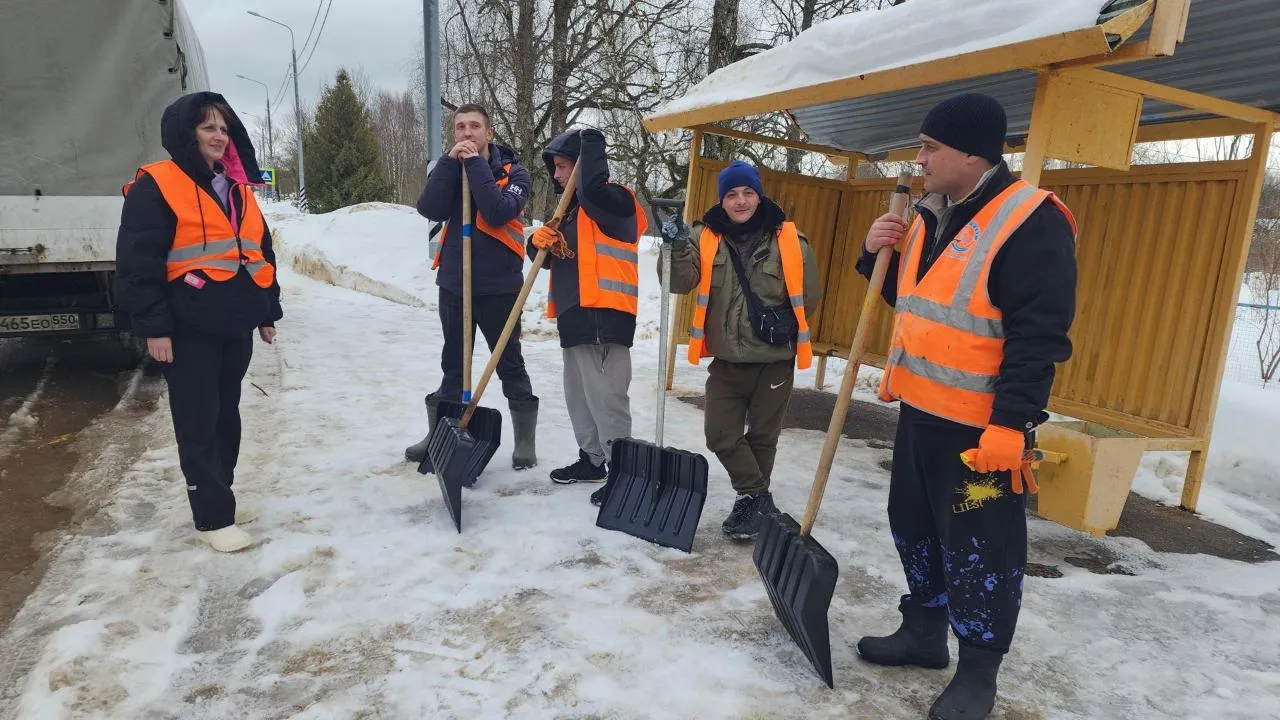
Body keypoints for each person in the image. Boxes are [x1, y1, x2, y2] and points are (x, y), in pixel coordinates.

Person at [853, 93, 1078, 720]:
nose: (919, 159)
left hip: (982, 434)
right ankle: (924, 631)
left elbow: (1039, 336)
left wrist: (1012, 424)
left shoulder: (1030, 220)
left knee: (981, 548)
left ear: (973, 154)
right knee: (914, 526)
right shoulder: (929, 215)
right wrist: (874, 253)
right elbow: (914, 302)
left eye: (931, 147)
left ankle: (979, 671)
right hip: (921, 412)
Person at [116, 91, 282, 553]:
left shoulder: (237, 188)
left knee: (227, 415)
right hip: (187, 328)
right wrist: (155, 328)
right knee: (198, 421)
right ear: (186, 133)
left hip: (235, 323)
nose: (218, 136)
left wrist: (267, 312)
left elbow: (260, 252)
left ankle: (221, 495)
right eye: (209, 127)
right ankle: (211, 516)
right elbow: (138, 263)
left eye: (224, 129)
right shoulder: (157, 185)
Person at [663, 161, 821, 540]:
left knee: (763, 438)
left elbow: (809, 296)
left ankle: (749, 504)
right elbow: (678, 283)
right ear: (722, 199)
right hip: (727, 362)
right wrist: (676, 246)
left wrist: (779, 325)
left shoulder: (790, 241)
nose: (740, 201)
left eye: (748, 192)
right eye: (732, 194)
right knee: (720, 434)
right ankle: (758, 496)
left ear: (759, 195)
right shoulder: (702, 237)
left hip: (773, 362)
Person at [408, 104, 539, 470]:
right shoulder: (448, 167)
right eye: (460, 127)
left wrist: (476, 165)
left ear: (489, 133)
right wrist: (450, 165)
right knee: (452, 363)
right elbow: (430, 208)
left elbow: (497, 211)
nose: (467, 133)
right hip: (455, 283)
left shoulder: (514, 172)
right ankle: (439, 433)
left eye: (475, 127)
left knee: (509, 362)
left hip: (500, 288)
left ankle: (524, 442)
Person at [529, 128, 645, 498]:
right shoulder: (570, 213)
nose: (556, 175)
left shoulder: (614, 201)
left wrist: (591, 143)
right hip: (575, 317)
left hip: (605, 317)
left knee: (606, 399)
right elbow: (549, 260)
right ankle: (593, 459)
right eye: (555, 168)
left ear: (583, 166)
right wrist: (537, 244)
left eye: (563, 166)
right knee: (579, 396)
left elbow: (593, 191)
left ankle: (623, 473)